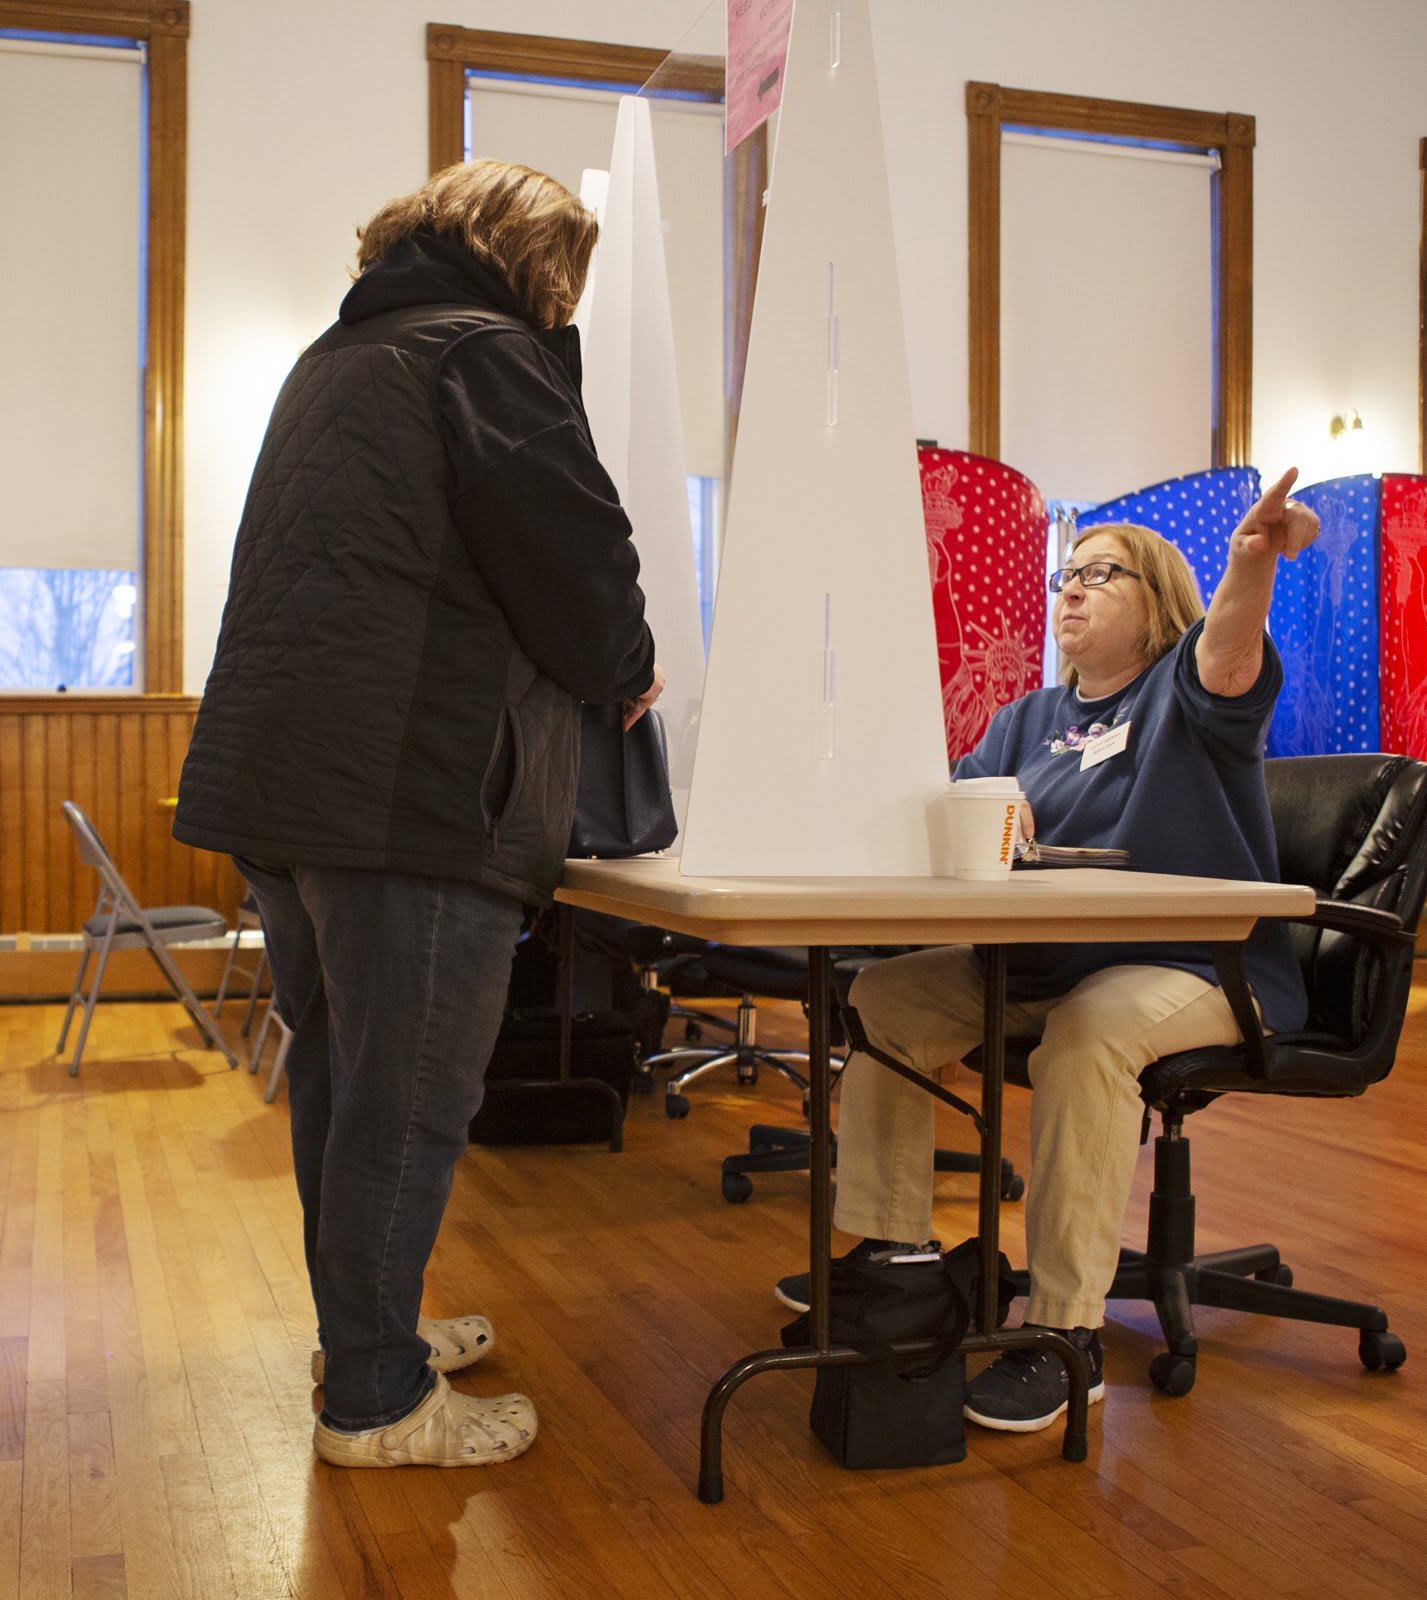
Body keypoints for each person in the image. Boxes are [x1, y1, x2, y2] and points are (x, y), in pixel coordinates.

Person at [175, 161, 662, 1468]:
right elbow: (578, 556)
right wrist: (629, 660)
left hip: (289, 786)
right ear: (544, 262)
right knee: (407, 1102)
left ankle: (366, 1332)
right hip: (411, 786)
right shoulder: (485, 354)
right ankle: (378, 1400)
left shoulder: (336, 362)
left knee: (345, 1084)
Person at [778, 470, 1321, 1434]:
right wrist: (974, 805)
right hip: (1048, 957)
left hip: (1202, 967)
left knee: (1086, 1035)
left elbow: (1231, 651)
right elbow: (953, 803)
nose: (1071, 588)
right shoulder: (1029, 719)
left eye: (1103, 574)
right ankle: (898, 1266)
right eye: (1067, 573)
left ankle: (1066, 1333)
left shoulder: (1187, 692)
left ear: (1159, 606)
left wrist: (1250, 566)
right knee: (887, 1003)